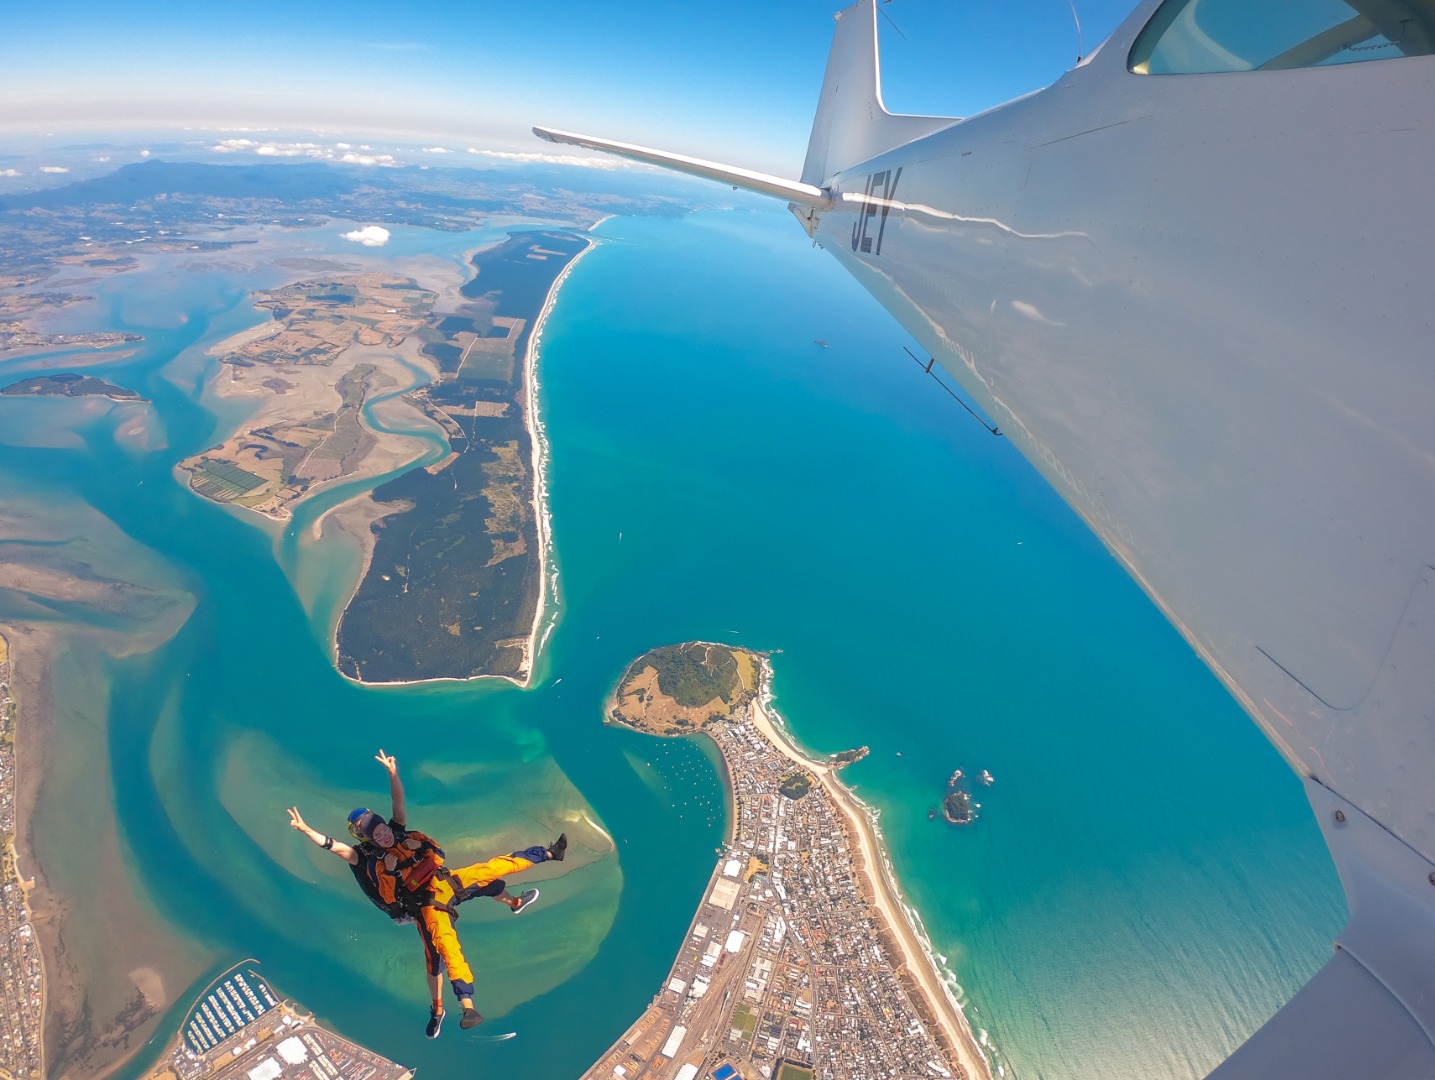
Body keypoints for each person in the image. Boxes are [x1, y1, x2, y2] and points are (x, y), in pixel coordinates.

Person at [288, 749, 566, 1037]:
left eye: (381, 826)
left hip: (441, 883)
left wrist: (393, 774)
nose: (383, 833)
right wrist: (307, 830)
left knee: (489, 874)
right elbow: (335, 847)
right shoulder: (366, 858)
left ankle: (535, 872)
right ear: (363, 837)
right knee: (439, 957)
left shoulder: (398, 832)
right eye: (373, 832)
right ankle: (450, 1009)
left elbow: (398, 802)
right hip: (419, 905)